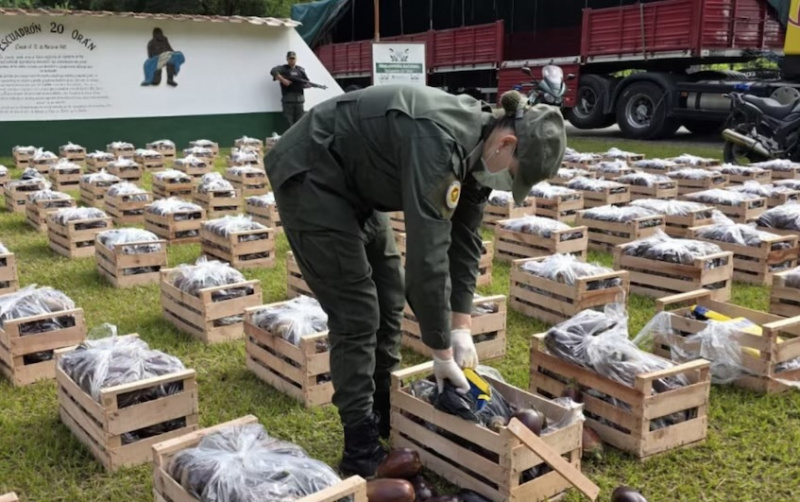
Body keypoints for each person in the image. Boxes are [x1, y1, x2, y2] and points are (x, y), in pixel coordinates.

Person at [264, 84, 565, 478]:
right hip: (312, 172)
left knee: (389, 293)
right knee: (357, 311)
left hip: (356, 182)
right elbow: (428, 258)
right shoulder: (439, 144)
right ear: (506, 144)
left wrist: (461, 327)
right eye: (514, 175)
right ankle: (359, 443)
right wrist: (441, 351)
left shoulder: (481, 153)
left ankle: (385, 407)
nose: (508, 183)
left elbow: (466, 243)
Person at [270, 51, 312, 126]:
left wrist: (306, 85)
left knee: (299, 123)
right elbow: (273, 71)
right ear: (287, 59)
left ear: (296, 59)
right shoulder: (283, 69)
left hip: (299, 100)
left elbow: (307, 81)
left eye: (293, 58)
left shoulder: (300, 70)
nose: (292, 60)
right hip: (288, 100)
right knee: (288, 123)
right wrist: (282, 80)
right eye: (290, 58)